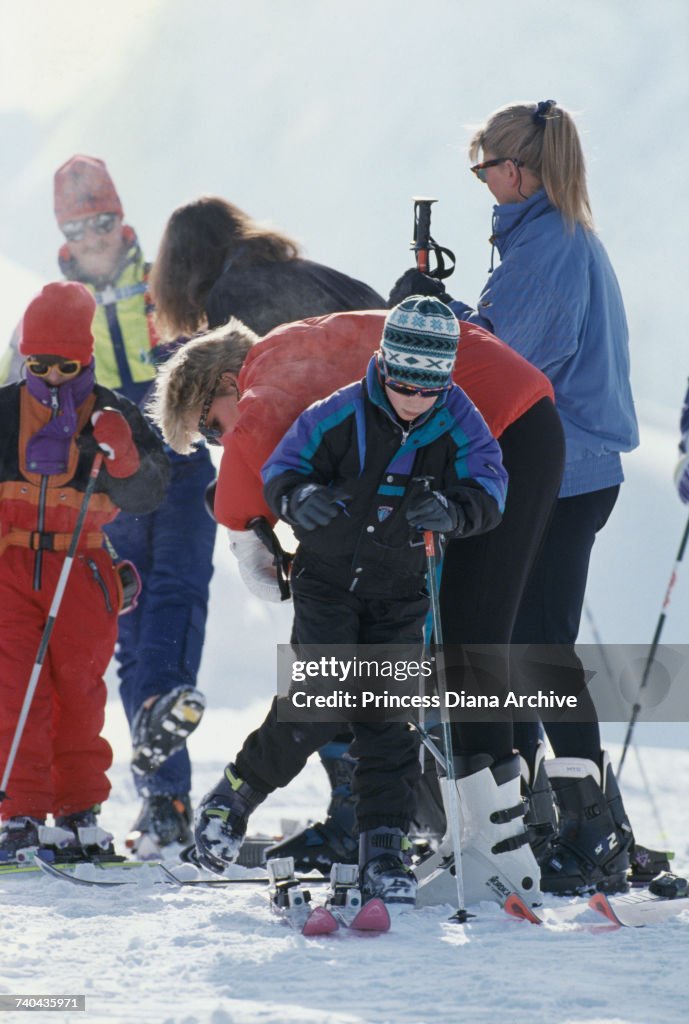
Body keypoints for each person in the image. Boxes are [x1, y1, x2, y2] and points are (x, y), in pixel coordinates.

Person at [149, 304, 565, 906]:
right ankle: (239, 800)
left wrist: (456, 510)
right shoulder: (335, 398)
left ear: (221, 383)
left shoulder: (273, 369)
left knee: (407, 699)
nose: (221, 443)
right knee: (329, 699)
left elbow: (258, 438)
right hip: (339, 575)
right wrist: (295, 499)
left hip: (431, 539)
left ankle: (405, 847)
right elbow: (290, 464)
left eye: (210, 428)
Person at [389, 99, 640, 895]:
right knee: (525, 646)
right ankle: (554, 815)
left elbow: (508, 362)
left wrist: (435, 319)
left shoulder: (547, 250)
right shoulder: (546, 238)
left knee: (530, 650)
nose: (485, 186)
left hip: (558, 474)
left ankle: (581, 826)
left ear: (517, 170)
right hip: (572, 470)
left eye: (486, 171)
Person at [148, 193, 386, 861]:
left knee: (330, 648)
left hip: (336, 498)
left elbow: (263, 429)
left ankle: (354, 812)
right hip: (402, 466)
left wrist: (253, 513)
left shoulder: (235, 301)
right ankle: (396, 810)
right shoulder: (311, 275)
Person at [1, 156, 217, 856]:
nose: (92, 234)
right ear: (63, 230)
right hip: (96, 487)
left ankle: (163, 791)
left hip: (175, 464)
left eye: (101, 220)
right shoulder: (50, 308)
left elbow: (211, 361)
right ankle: (153, 793)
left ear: (120, 221)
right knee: (110, 641)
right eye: (77, 223)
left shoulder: (164, 286)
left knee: (173, 607)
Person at [0, 282, 169, 864]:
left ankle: (78, 814)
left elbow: (152, 491)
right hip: (11, 564)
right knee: (15, 692)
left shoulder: (112, 410)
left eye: (62, 365)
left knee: (79, 689)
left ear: (85, 358)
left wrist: (122, 455)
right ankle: (19, 814)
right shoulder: (2, 409)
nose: (47, 376)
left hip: (83, 564)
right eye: (36, 363)